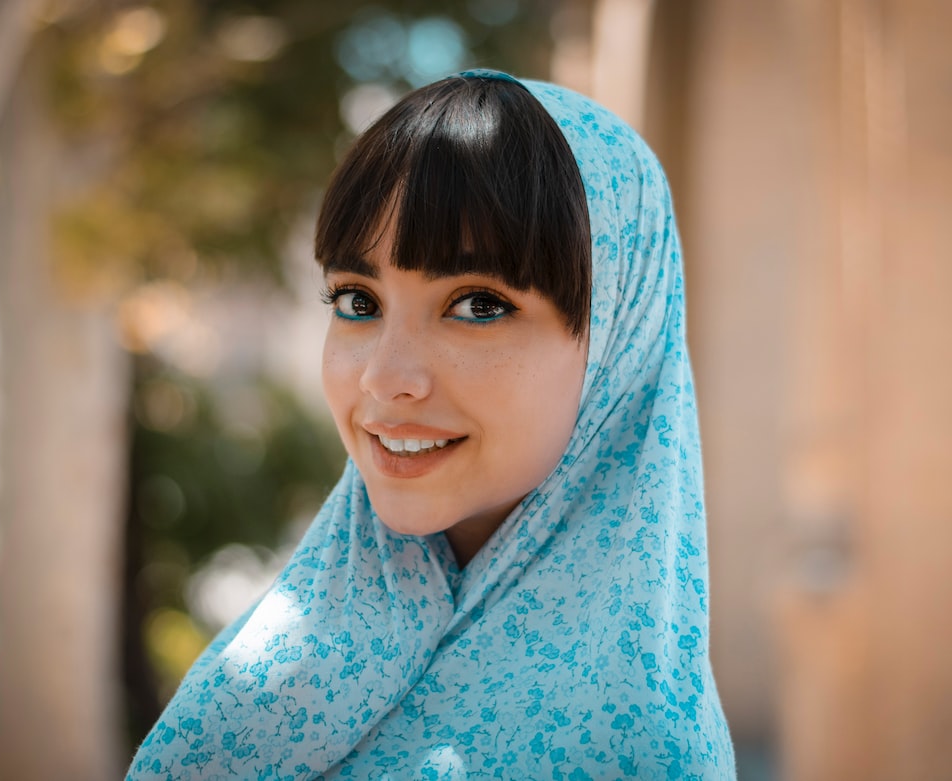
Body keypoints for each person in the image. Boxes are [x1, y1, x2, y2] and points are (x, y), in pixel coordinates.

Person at [126, 70, 736, 779]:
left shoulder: (633, 753)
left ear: (617, 342)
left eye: (477, 305)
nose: (385, 378)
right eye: (357, 301)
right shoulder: (282, 657)